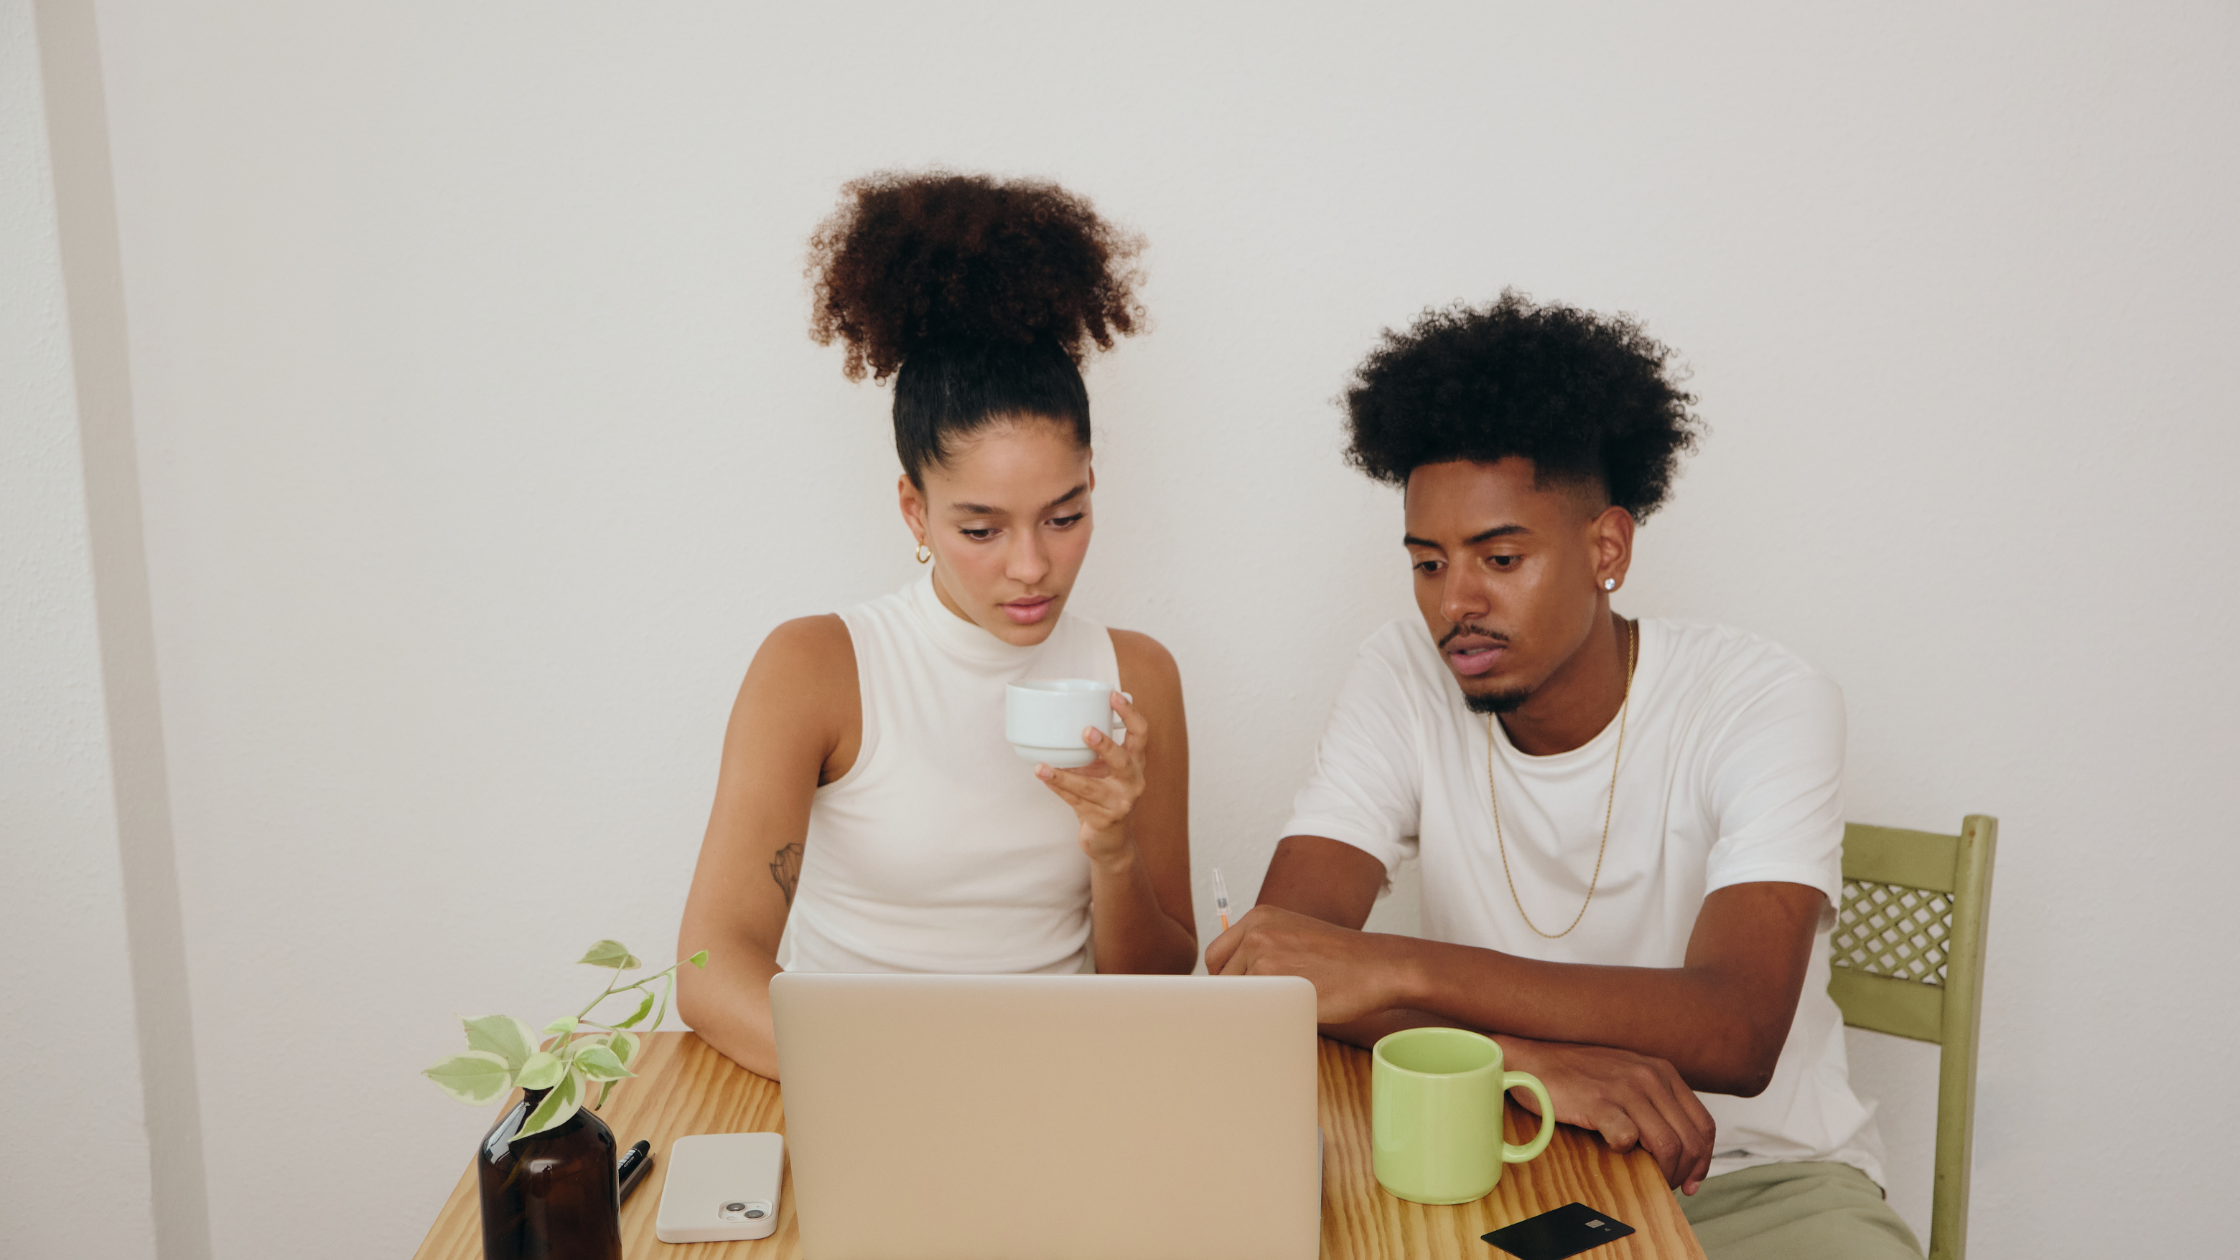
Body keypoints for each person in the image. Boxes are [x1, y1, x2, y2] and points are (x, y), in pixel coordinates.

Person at [1206, 292, 1920, 1258]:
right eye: (1427, 563)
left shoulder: (1764, 698)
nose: (1456, 603)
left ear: (1607, 548)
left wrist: (1393, 964)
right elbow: (1280, 973)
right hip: (1508, 1153)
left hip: (1763, 1182)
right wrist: (1522, 1065)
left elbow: (1736, 1029)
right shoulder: (1400, 676)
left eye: (1501, 557)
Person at [678, 172, 1198, 1080]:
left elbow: (1158, 979)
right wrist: (894, 1083)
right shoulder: (819, 668)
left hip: (1063, 1089)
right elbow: (713, 967)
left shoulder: (1137, 674)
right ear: (916, 515)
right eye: (980, 529)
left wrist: (1112, 850)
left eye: (1065, 516)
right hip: (863, 1091)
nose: (1032, 566)